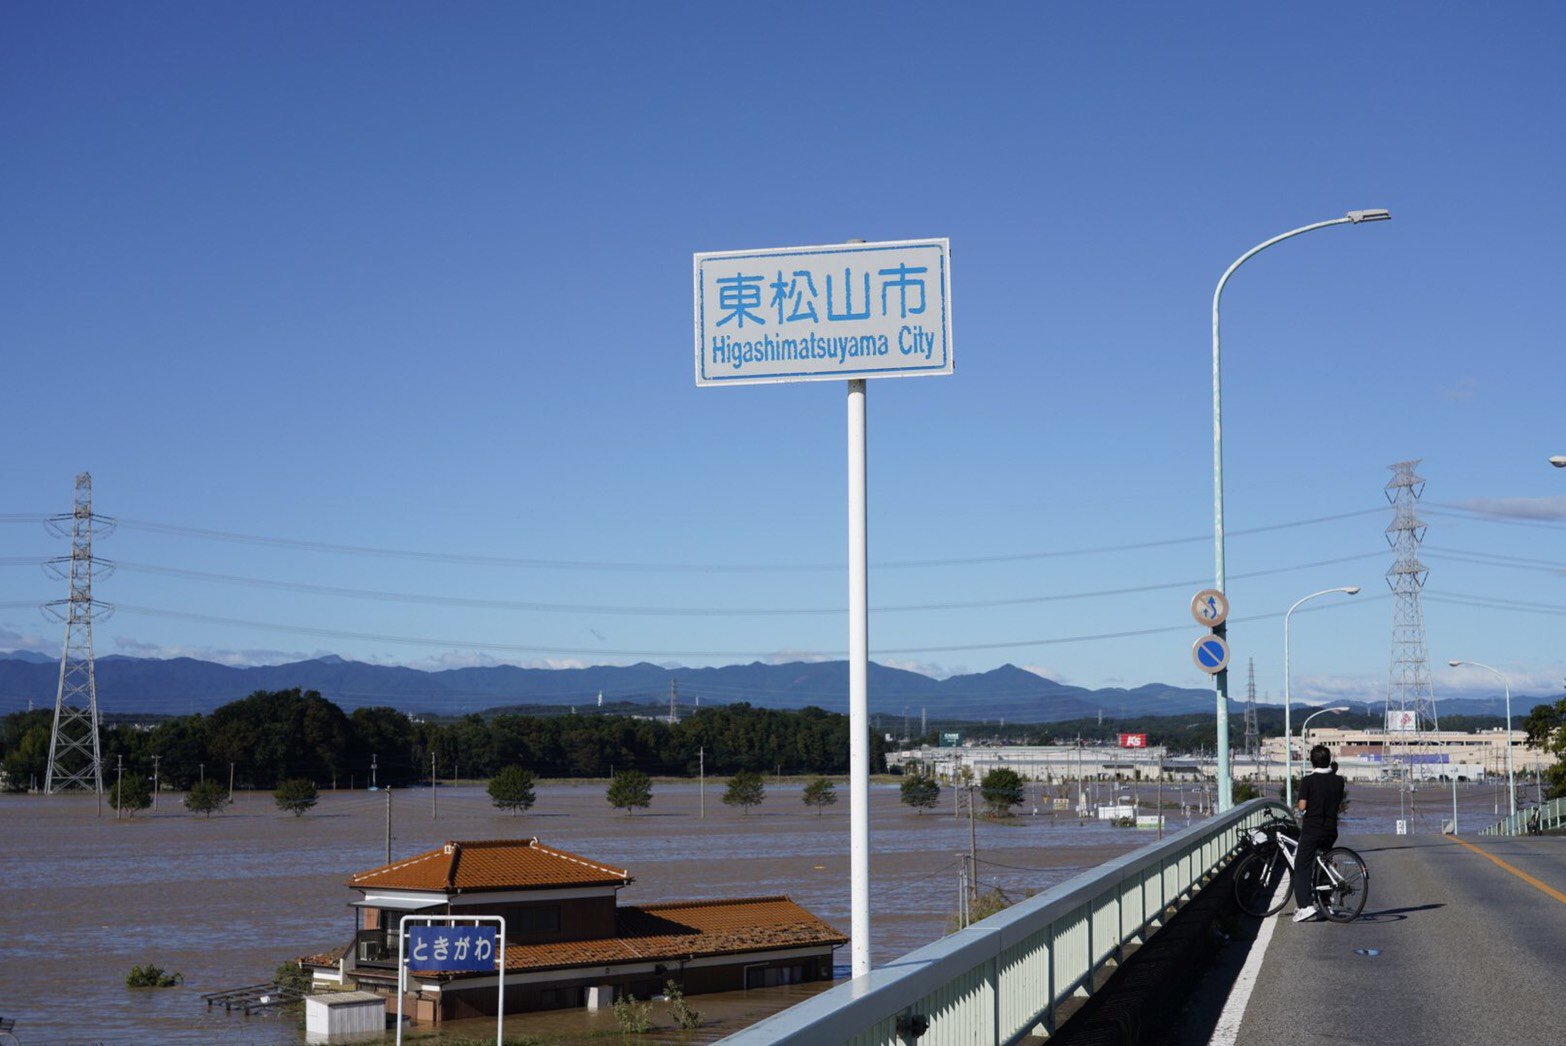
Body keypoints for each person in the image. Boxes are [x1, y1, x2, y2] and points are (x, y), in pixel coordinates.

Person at [1292, 744, 1345, 923]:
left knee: (1301, 865)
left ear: (1312, 761)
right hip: (1331, 829)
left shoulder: (1308, 781)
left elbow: (1302, 806)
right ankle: (1325, 904)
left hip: (1312, 829)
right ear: (1329, 760)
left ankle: (1305, 906)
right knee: (1324, 864)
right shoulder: (1339, 781)